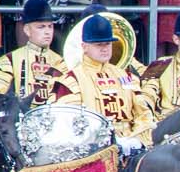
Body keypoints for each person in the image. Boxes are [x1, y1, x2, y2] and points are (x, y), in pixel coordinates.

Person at [52, 12, 153, 144]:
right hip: (94, 148)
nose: (105, 49)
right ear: (84, 47)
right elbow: (70, 124)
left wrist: (137, 140)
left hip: (131, 145)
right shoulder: (72, 80)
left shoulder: (126, 76)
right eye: (98, 45)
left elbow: (143, 115)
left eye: (108, 44)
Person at [0, 0, 67, 102]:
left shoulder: (62, 63)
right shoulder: (9, 61)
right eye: (41, 27)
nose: (48, 32)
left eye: (50, 26)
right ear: (27, 30)